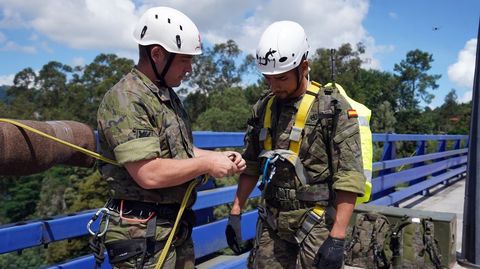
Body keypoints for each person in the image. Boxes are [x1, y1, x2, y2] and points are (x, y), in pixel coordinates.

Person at [96, 6, 245, 269]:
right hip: (142, 235)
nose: (190, 69)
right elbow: (149, 173)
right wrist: (208, 165)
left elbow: (183, 150)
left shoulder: (165, 95)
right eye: (185, 60)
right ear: (157, 54)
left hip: (174, 227)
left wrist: (219, 157)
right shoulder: (128, 99)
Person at [225, 21, 366, 269]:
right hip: (272, 218)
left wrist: (338, 237)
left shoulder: (331, 109)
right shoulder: (263, 108)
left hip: (317, 221)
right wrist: (236, 211)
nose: (274, 86)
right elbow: (251, 164)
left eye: (281, 78)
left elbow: (349, 175)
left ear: (303, 66)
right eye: (268, 79)